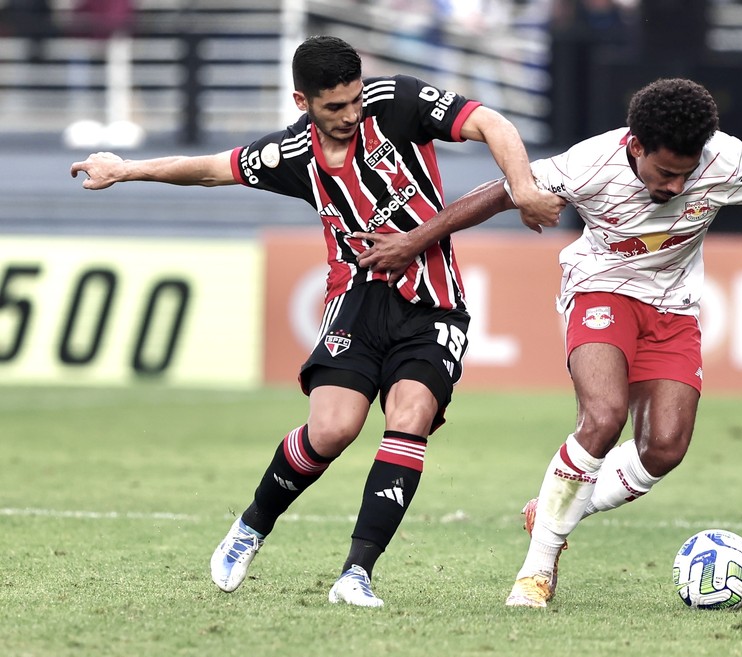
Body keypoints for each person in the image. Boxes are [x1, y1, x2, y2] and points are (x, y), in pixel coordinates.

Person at [70, 34, 562, 607]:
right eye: (335, 106)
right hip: (355, 299)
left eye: (355, 100)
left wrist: (523, 189)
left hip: (433, 304)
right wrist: (125, 169)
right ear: (302, 101)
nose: (352, 114)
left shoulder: (397, 102)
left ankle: (357, 573)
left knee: (411, 417)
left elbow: (494, 124)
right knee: (333, 429)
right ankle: (252, 525)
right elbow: (207, 169)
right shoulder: (290, 155)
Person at [352, 77, 742, 607]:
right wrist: (412, 241)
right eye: (665, 173)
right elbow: (497, 194)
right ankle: (537, 571)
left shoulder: (727, 160)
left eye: (686, 176)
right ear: (635, 145)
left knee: (665, 448)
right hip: (599, 290)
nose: (677, 188)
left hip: (674, 306)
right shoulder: (590, 164)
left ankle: (556, 505)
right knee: (605, 417)